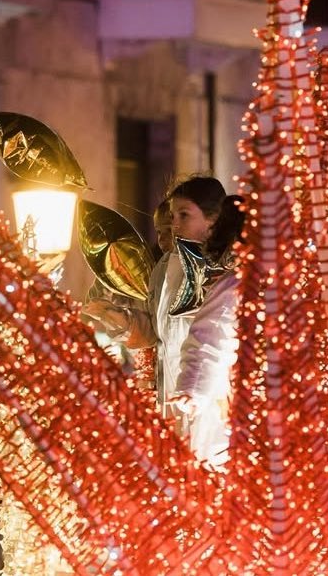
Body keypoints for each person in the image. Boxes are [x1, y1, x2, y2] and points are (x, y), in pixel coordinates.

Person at [85, 176, 227, 417]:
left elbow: (212, 335)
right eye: (172, 217)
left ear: (212, 219)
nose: (175, 225)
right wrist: (119, 319)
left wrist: (194, 390)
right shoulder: (164, 268)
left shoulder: (223, 267)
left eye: (184, 215)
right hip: (171, 396)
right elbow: (156, 331)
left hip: (212, 400)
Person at [168, 194, 245, 466]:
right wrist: (194, 388)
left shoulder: (240, 284)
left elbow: (209, 337)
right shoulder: (238, 285)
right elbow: (210, 337)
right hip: (239, 404)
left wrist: (193, 389)